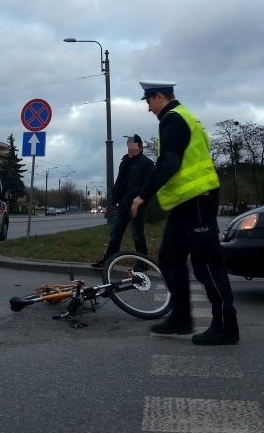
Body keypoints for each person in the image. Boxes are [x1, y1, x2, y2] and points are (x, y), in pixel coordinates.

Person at [131, 81, 239, 346]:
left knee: (207, 265)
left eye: (148, 102)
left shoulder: (173, 119)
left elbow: (169, 162)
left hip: (198, 201)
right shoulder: (185, 117)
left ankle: (226, 327)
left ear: (159, 97)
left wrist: (143, 195)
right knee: (169, 258)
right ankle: (180, 319)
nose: (148, 108)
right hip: (186, 203)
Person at [91, 134, 155, 269]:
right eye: (128, 146)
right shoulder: (125, 162)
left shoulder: (146, 163)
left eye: (132, 146)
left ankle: (142, 264)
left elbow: (150, 185)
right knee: (115, 233)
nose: (130, 149)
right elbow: (119, 182)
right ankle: (108, 262)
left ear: (140, 147)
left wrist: (141, 200)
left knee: (137, 234)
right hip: (123, 204)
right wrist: (113, 202)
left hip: (137, 204)